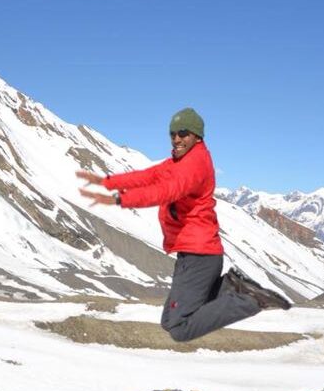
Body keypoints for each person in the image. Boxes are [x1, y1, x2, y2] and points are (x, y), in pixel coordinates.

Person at [77, 107, 289, 342]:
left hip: (200, 255)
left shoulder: (194, 164)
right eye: (173, 133)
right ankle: (231, 287)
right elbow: (149, 176)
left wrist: (120, 198)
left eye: (183, 133)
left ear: (197, 135)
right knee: (168, 319)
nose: (177, 138)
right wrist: (108, 182)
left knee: (179, 327)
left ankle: (249, 300)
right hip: (192, 254)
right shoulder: (180, 161)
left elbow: (166, 190)